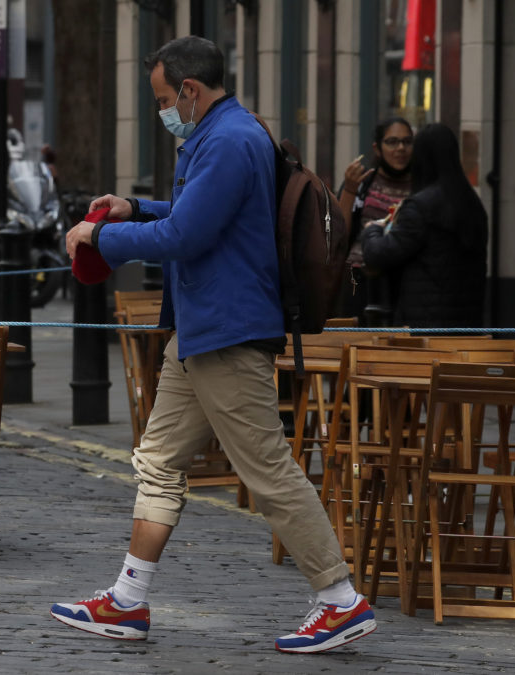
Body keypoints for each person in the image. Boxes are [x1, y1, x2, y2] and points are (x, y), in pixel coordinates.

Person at [51, 36, 376, 653]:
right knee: (159, 459)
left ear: (192, 91)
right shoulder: (226, 133)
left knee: (268, 470)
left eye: (164, 98)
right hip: (204, 330)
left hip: (225, 331)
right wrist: (132, 207)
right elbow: (193, 212)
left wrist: (100, 237)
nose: (163, 109)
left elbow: (189, 232)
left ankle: (339, 599)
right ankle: (127, 601)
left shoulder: (227, 141)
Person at [360, 123, 487, 328]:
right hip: (468, 324)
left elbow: (378, 254)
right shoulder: (472, 203)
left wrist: (372, 230)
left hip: (425, 326)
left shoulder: (421, 206)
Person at [336, 117, 414, 325]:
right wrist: (350, 190)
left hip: (404, 285)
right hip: (360, 282)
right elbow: (338, 234)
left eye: (407, 142)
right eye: (392, 142)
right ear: (377, 148)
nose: (400, 148)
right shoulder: (363, 183)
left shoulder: (420, 185)